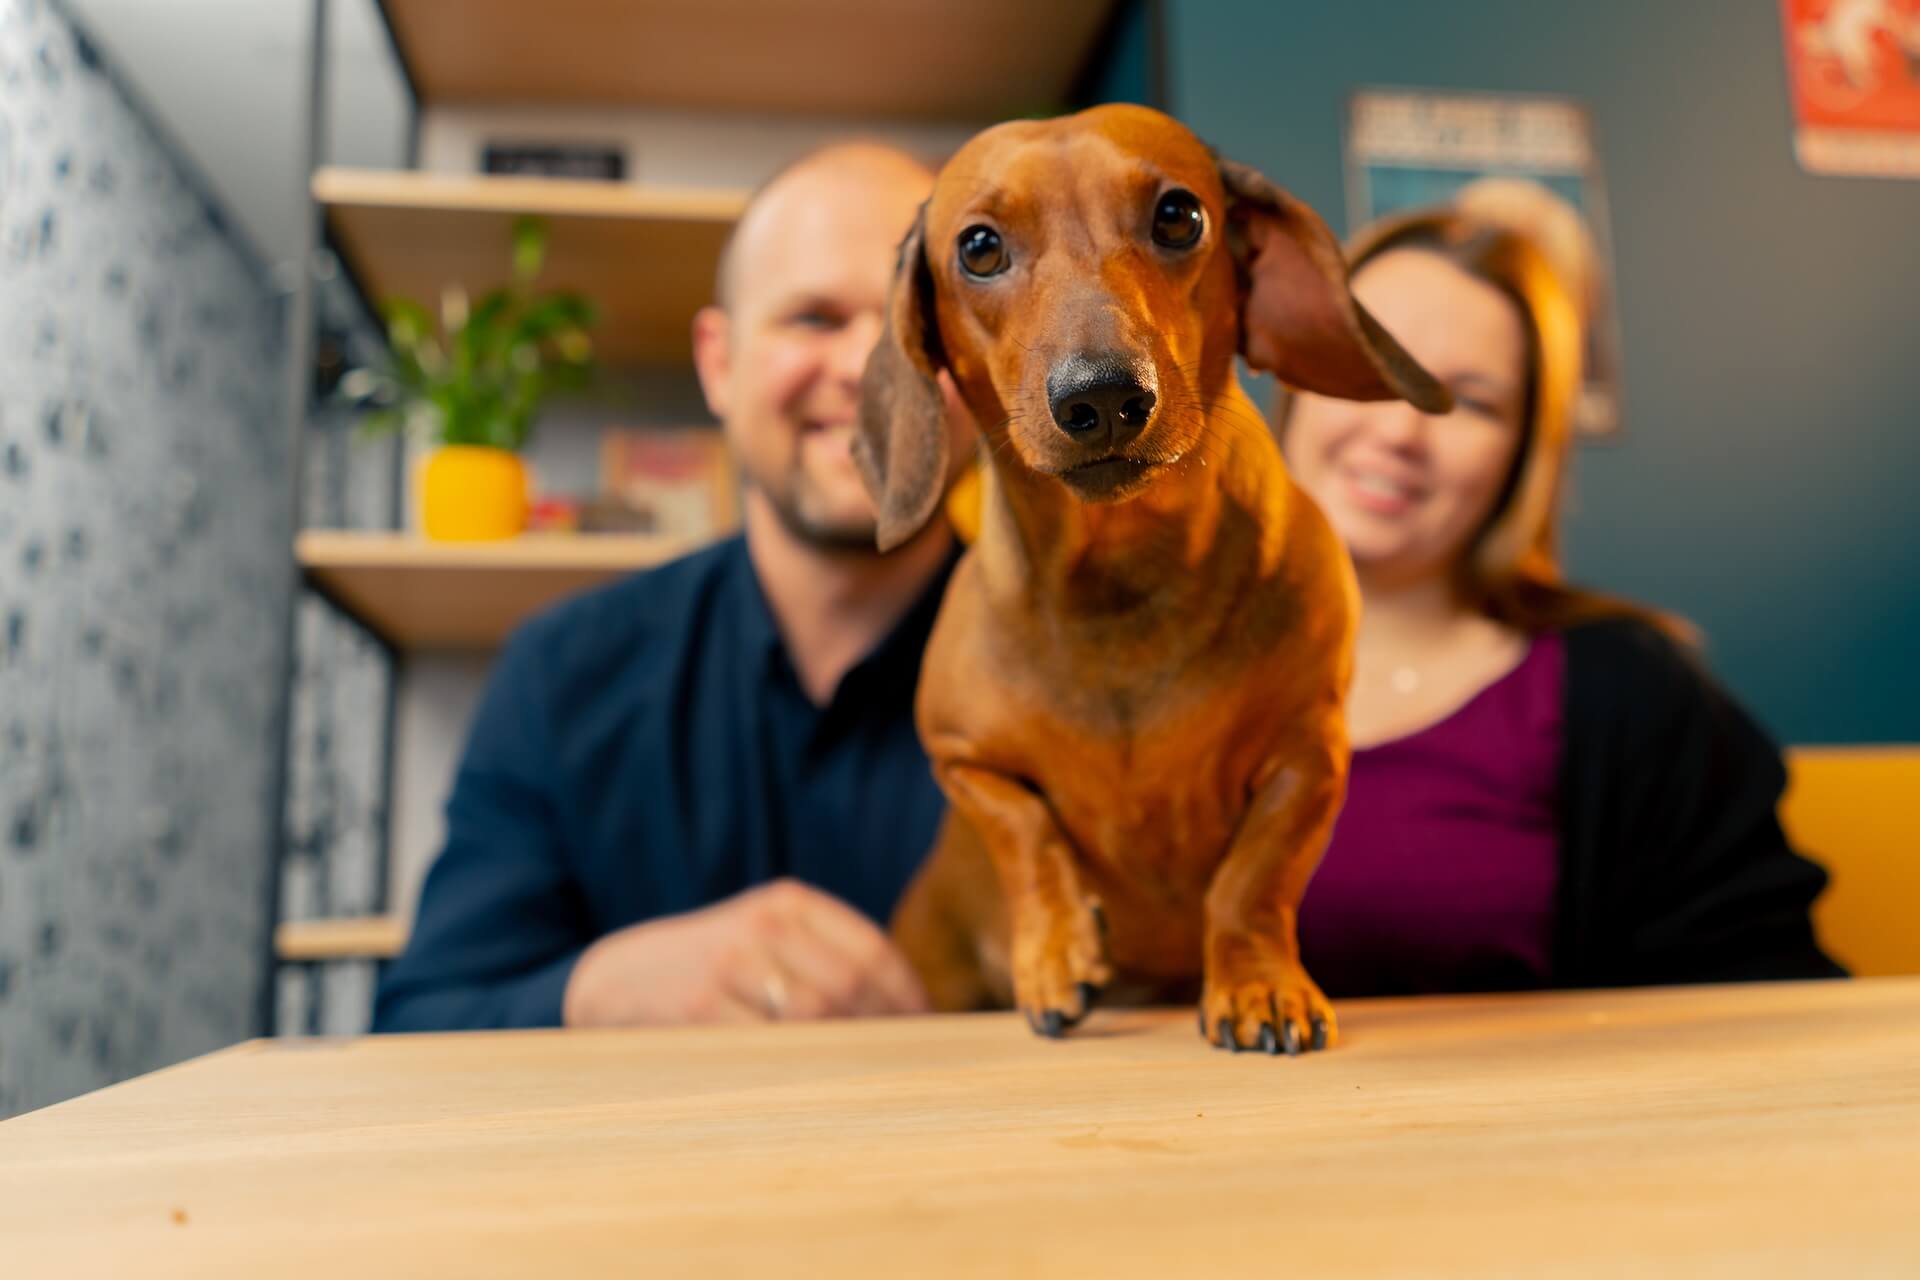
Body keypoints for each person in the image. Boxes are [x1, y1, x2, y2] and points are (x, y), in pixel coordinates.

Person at [373, 142, 975, 1032]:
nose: (868, 366)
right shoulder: (561, 674)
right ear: (718, 362)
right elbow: (417, 1029)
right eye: (813, 318)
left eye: (921, 317)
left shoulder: (1100, 674)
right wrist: (596, 990)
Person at [1276, 187, 1844, 996]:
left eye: (1467, 400)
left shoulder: (1631, 695)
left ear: (1521, 454)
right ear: (1292, 378)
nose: (1399, 429)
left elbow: (1767, 998)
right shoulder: (1127, 669)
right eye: (1370, 361)